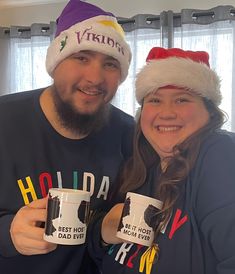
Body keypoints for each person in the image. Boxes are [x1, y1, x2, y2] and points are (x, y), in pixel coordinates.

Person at [0, 0, 134, 273]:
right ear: (55, 63)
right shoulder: (4, 120)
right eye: (81, 57)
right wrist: (7, 233)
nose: (95, 78)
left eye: (110, 64)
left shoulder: (129, 133)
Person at [89, 47, 235, 274]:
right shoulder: (141, 169)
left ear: (210, 112)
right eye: (155, 100)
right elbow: (99, 256)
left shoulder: (219, 153)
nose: (166, 113)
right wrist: (103, 233)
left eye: (182, 100)